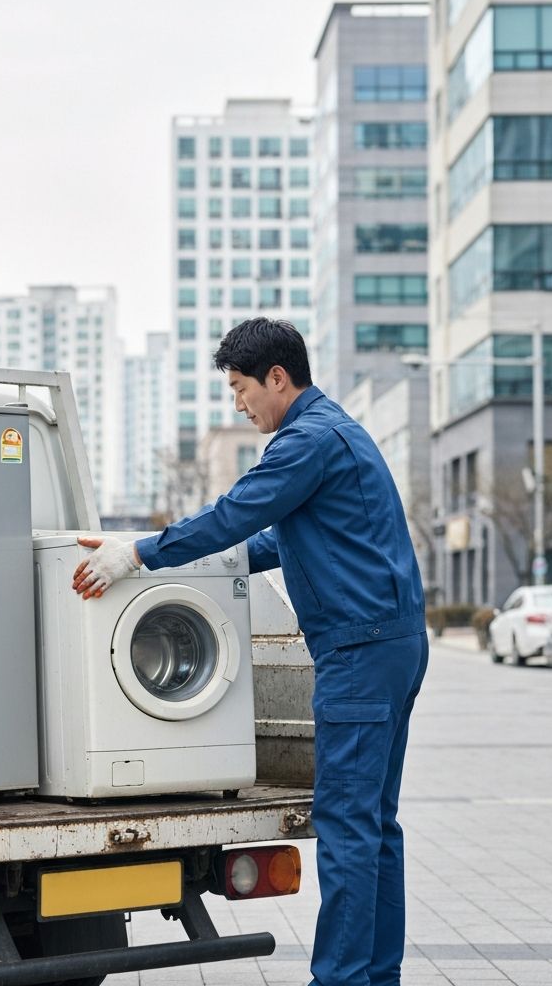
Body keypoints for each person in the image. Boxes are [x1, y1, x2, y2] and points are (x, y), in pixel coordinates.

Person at [72, 317, 427, 986]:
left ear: (277, 378)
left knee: (349, 828)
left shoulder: (304, 441)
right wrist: (180, 558)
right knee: (376, 826)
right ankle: (376, 977)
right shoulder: (337, 432)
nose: (239, 404)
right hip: (393, 644)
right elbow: (271, 541)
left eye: (239, 390)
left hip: (360, 649)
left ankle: (345, 981)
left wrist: (140, 552)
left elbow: (237, 513)